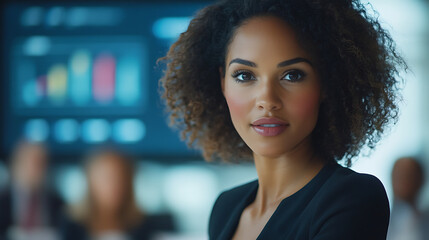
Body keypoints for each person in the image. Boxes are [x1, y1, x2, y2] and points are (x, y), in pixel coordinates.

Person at [159, 0, 407, 239]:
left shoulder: (353, 198)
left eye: (292, 75)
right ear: (223, 82)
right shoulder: (226, 208)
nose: (267, 99)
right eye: (245, 75)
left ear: (326, 85)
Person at [60, 149, 175, 240]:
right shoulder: (71, 225)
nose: (114, 185)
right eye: (107, 178)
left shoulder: (145, 224)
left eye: (120, 178)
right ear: (90, 181)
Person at [0, 140, 64, 240]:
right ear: (15, 164)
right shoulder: (2, 201)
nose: (33, 169)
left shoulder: (59, 204)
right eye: (27, 162)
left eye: (40, 163)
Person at [387, 157, 425, 240]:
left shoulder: (425, 221)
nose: (403, 181)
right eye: (398, 175)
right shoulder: (381, 220)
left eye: (409, 175)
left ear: (420, 180)